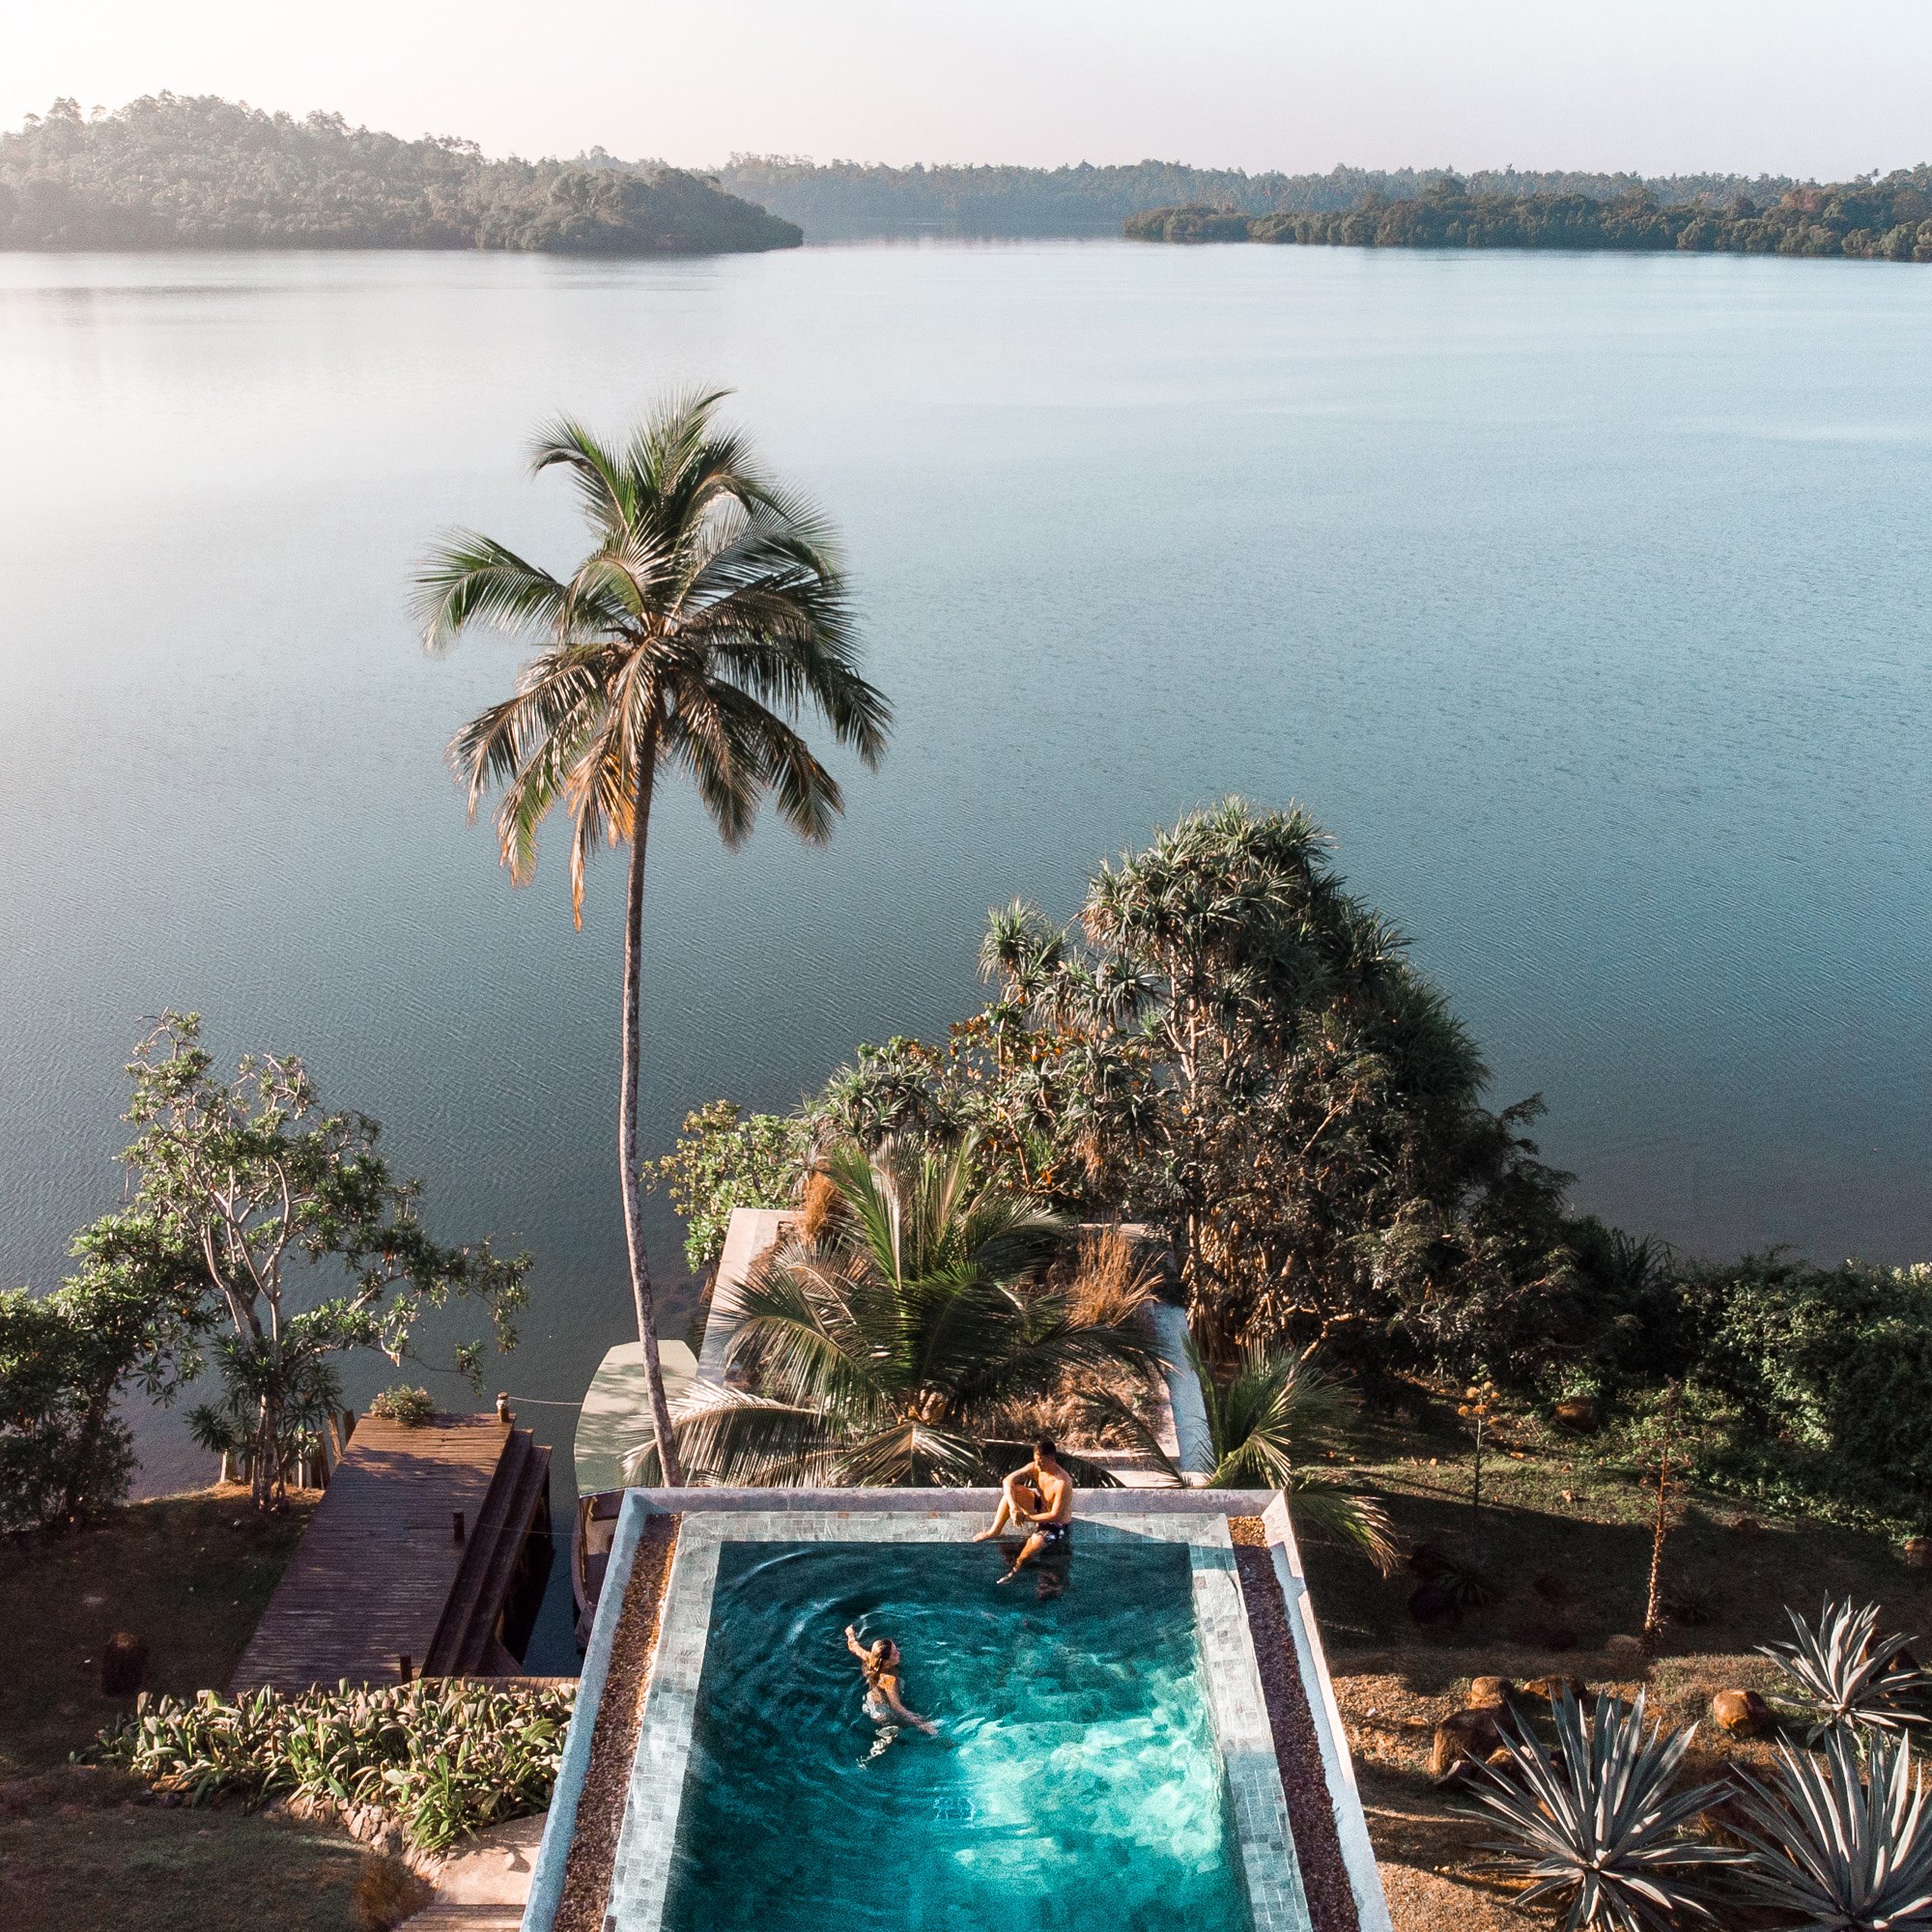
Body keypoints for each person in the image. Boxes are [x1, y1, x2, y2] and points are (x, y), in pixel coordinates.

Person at [992, 1436, 1073, 1583]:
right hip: (1039, 1508)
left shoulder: (1062, 1482)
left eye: (1041, 1461)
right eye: (1036, 1460)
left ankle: (1013, 1573)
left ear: (1052, 1459)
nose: (1037, 1465)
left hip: (1055, 1525)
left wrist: (1025, 1517)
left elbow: (1055, 1515)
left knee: (1027, 1552)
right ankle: (994, 1530)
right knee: (1014, 1490)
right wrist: (1014, 1507)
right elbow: (1007, 1481)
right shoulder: (1036, 1467)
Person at [844, 1624, 939, 1750]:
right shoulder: (890, 1680)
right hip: (881, 1711)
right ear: (885, 1662)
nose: (899, 1653)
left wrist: (850, 1633)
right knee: (899, 1729)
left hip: (872, 1699)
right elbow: (897, 1707)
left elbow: (853, 1646)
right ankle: (881, 1744)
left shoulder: (870, 1658)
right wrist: (923, 1724)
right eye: (894, 1654)